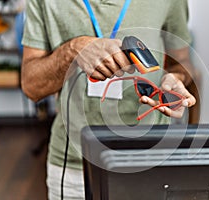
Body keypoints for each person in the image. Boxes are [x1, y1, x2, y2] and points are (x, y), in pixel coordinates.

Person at [21, 0, 197, 199]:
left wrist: (176, 79)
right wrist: (73, 50)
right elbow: (31, 86)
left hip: (150, 162)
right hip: (74, 167)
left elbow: (183, 63)